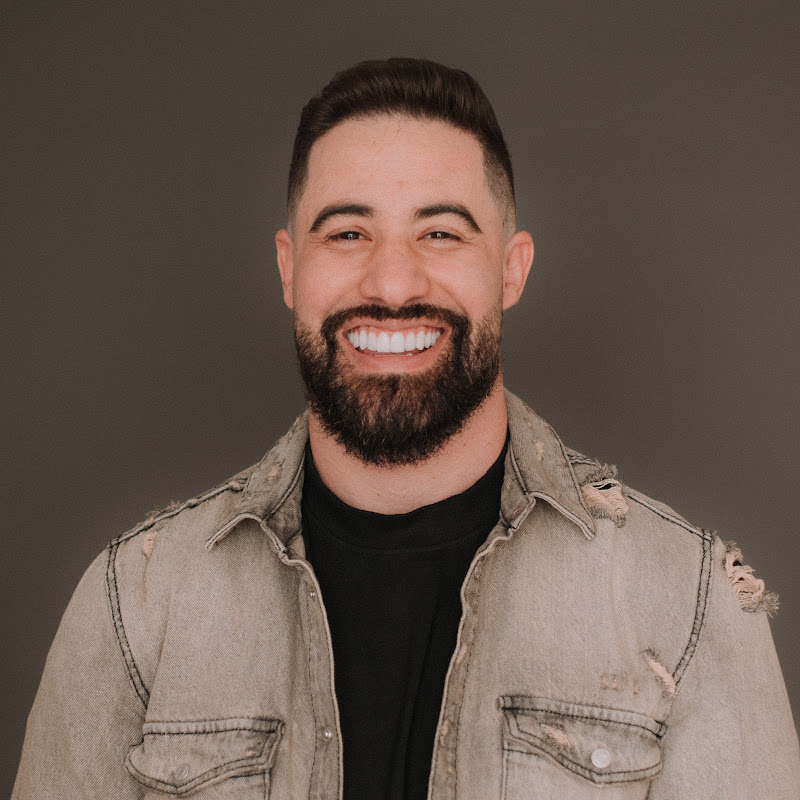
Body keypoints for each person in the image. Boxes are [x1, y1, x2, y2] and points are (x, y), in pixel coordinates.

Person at [13, 58, 799, 799]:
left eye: (442, 232)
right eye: (347, 233)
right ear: (289, 268)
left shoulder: (687, 605)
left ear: (511, 268)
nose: (392, 283)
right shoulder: (137, 603)